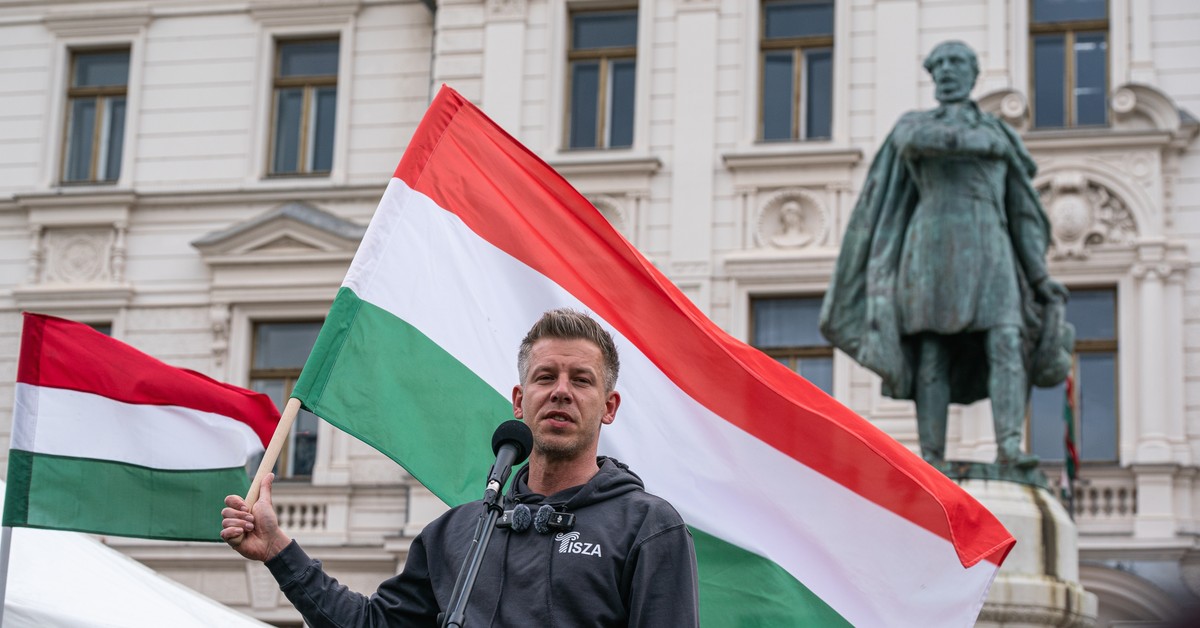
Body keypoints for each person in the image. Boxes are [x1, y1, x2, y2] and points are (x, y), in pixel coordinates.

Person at [221, 308, 700, 626]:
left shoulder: (648, 527)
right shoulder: (456, 532)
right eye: (545, 377)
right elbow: (373, 625)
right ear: (519, 400)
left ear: (609, 406)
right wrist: (279, 551)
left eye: (581, 380)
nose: (561, 391)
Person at [819, 41, 1071, 469]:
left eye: (957, 63)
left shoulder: (998, 134)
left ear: (974, 74)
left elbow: (1023, 213)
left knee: (1007, 341)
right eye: (939, 65)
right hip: (929, 247)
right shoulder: (920, 126)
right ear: (932, 76)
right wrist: (978, 141)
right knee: (933, 350)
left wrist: (1038, 274)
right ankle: (933, 459)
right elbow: (914, 141)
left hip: (992, 245)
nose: (948, 71)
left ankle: (1010, 447)